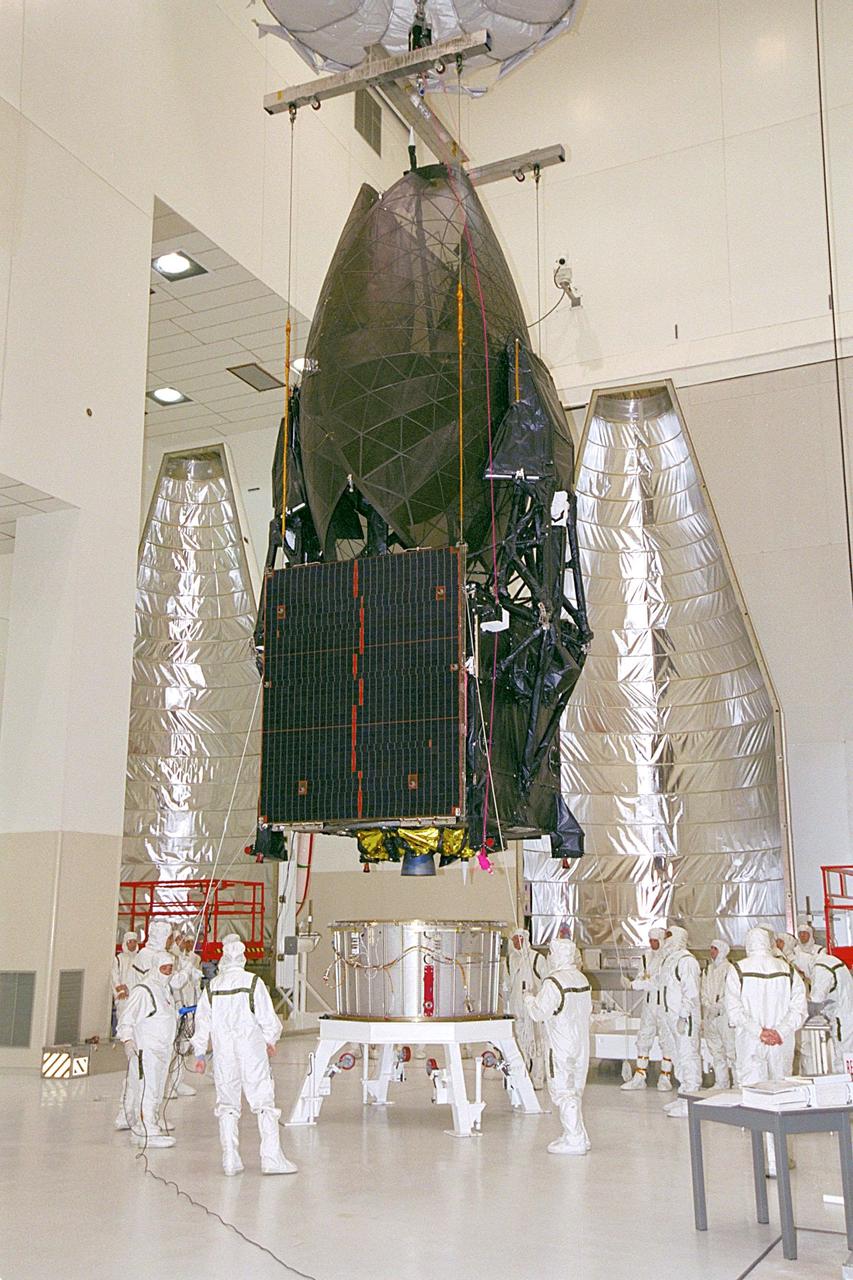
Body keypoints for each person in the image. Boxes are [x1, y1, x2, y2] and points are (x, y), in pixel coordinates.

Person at [191, 933, 296, 1176]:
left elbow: (202, 1021)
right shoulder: (252, 982)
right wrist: (270, 1040)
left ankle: (230, 1158)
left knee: (227, 1104)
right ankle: (271, 1158)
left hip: (223, 1053)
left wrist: (198, 1053)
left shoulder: (213, 986)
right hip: (251, 1050)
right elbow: (268, 1019)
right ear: (243, 957)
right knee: (263, 1103)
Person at [725, 926, 807, 1176]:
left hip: (751, 1042)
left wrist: (759, 1031)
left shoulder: (738, 969)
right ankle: (780, 1156)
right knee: (781, 1097)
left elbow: (734, 1010)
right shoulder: (787, 969)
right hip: (780, 1044)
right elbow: (799, 1009)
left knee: (755, 1100)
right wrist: (779, 1032)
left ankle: (764, 1159)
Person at [524, 936, 592, 1156]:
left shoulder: (554, 982)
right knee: (575, 1089)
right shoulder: (581, 978)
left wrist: (528, 999)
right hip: (581, 1043)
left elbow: (538, 1013)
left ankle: (574, 1140)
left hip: (561, 1044)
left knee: (562, 1090)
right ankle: (578, 1133)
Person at [115, 949, 179, 1147]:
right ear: (154, 968)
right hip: (146, 1050)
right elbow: (127, 1018)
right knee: (147, 1088)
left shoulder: (164, 990)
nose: (167, 972)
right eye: (164, 968)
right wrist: (127, 1040)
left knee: (158, 1088)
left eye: (170, 969)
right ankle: (146, 1129)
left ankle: (148, 1124)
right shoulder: (144, 990)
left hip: (162, 1049)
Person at [621, 926, 674, 1092]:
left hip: (664, 1005)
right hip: (648, 1005)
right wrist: (635, 982)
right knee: (644, 1036)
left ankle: (665, 1076)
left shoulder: (668, 957)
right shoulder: (645, 957)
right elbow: (642, 976)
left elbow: (657, 982)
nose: (652, 944)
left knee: (666, 1039)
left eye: (655, 941)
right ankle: (640, 1075)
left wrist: (635, 984)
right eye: (650, 941)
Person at [659, 925, 702, 1118]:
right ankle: (683, 1094)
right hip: (671, 1017)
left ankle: (691, 1098)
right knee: (677, 1057)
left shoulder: (686, 961)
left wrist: (684, 1015)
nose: (665, 939)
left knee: (688, 1056)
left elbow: (690, 992)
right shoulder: (669, 961)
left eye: (669, 936)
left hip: (685, 1018)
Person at [503, 928, 545, 1089]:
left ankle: (538, 1078)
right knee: (519, 1042)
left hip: (534, 1010)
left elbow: (546, 981)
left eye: (519, 939)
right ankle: (522, 1076)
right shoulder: (510, 960)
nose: (516, 942)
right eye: (514, 939)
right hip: (516, 1010)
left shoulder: (536, 959)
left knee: (537, 1042)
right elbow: (506, 985)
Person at [700, 939, 737, 1089]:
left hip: (725, 1016)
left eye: (714, 949)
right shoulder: (707, 970)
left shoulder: (730, 969)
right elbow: (703, 991)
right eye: (711, 949)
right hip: (710, 1016)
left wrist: (719, 1006)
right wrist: (708, 1006)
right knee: (716, 1050)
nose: (712, 952)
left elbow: (731, 992)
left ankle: (738, 1082)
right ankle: (721, 1081)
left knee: (731, 1050)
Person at [808, 950, 853, 1074]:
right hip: (847, 1014)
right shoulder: (833, 962)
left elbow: (816, 999)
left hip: (842, 1021)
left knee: (844, 1060)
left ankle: (847, 1090)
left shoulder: (821, 968)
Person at [111, 931, 143, 1006]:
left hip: (137, 996)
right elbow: (114, 976)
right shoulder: (119, 959)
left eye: (134, 942)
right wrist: (120, 991)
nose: (133, 944)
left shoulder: (140, 958)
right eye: (130, 942)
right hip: (123, 997)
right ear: (125, 943)